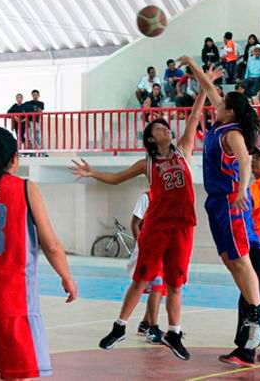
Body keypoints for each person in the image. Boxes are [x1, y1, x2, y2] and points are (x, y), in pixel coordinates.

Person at [71, 68, 219, 361]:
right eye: (160, 128)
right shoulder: (146, 163)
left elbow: (194, 117)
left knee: (175, 283)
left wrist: (205, 87)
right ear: (151, 138)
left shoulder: (183, 151)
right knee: (141, 280)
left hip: (183, 226)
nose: (166, 129)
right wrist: (92, 173)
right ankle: (120, 326)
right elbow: (116, 179)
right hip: (156, 227)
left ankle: (174, 332)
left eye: (166, 127)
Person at [0, 127, 78, 379]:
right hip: (12, 302)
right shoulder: (24, 188)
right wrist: (67, 277)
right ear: (14, 159)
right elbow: (50, 243)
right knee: (15, 374)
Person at [180, 55, 260, 351]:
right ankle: (255, 309)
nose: (216, 105)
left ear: (230, 111)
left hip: (230, 201)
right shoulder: (220, 127)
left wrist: (242, 191)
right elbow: (210, 89)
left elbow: (246, 160)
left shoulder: (232, 133)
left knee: (241, 259)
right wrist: (194, 67)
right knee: (228, 259)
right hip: (216, 203)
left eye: (221, 105)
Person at [219, 147, 260, 367]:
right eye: (253, 157)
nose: (255, 160)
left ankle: (246, 353)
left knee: (250, 298)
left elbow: (243, 202)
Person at [125, 192, 167, 344]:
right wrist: (143, 244)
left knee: (161, 288)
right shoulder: (146, 197)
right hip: (147, 248)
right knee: (156, 284)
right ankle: (152, 328)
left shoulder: (168, 197)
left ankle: (145, 323)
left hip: (162, 247)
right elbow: (135, 224)